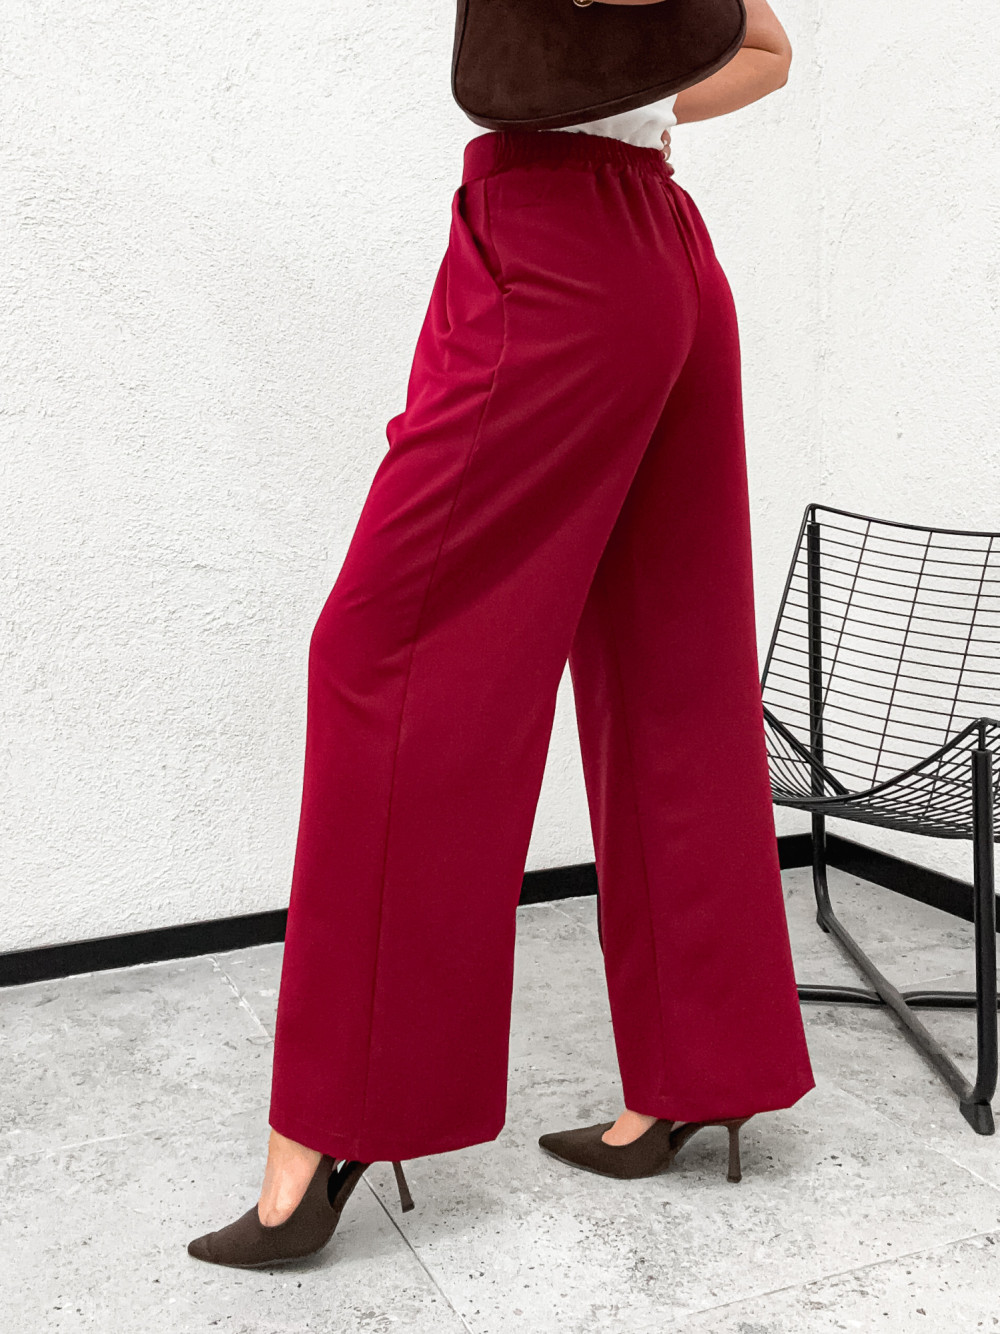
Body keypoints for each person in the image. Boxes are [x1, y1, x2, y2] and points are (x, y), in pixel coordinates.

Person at [188, 0, 815, 1269]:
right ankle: (704, 1066)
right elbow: (765, 51)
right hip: (665, 249)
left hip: (557, 252)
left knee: (382, 657)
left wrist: (608, 111)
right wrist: (638, 107)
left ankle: (333, 1127)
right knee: (667, 667)